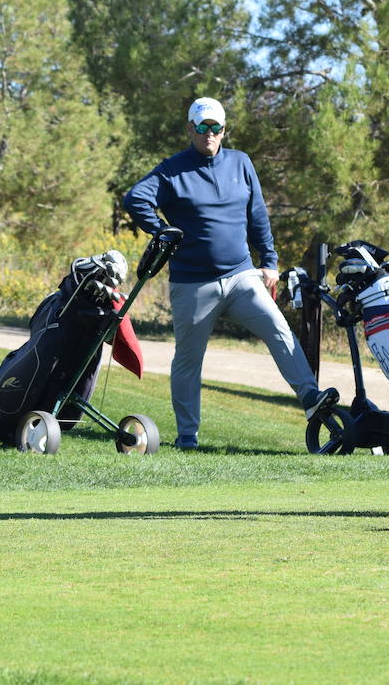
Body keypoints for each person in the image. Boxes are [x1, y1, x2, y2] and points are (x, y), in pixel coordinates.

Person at [123, 97, 338, 449]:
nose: (209, 133)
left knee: (278, 328)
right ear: (190, 129)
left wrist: (269, 261)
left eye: (216, 127)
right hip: (193, 284)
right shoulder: (172, 170)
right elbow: (135, 199)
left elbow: (257, 215)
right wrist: (163, 233)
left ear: (224, 130)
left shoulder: (240, 162)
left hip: (241, 277)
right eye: (202, 127)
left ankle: (310, 398)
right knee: (189, 361)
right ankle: (187, 437)